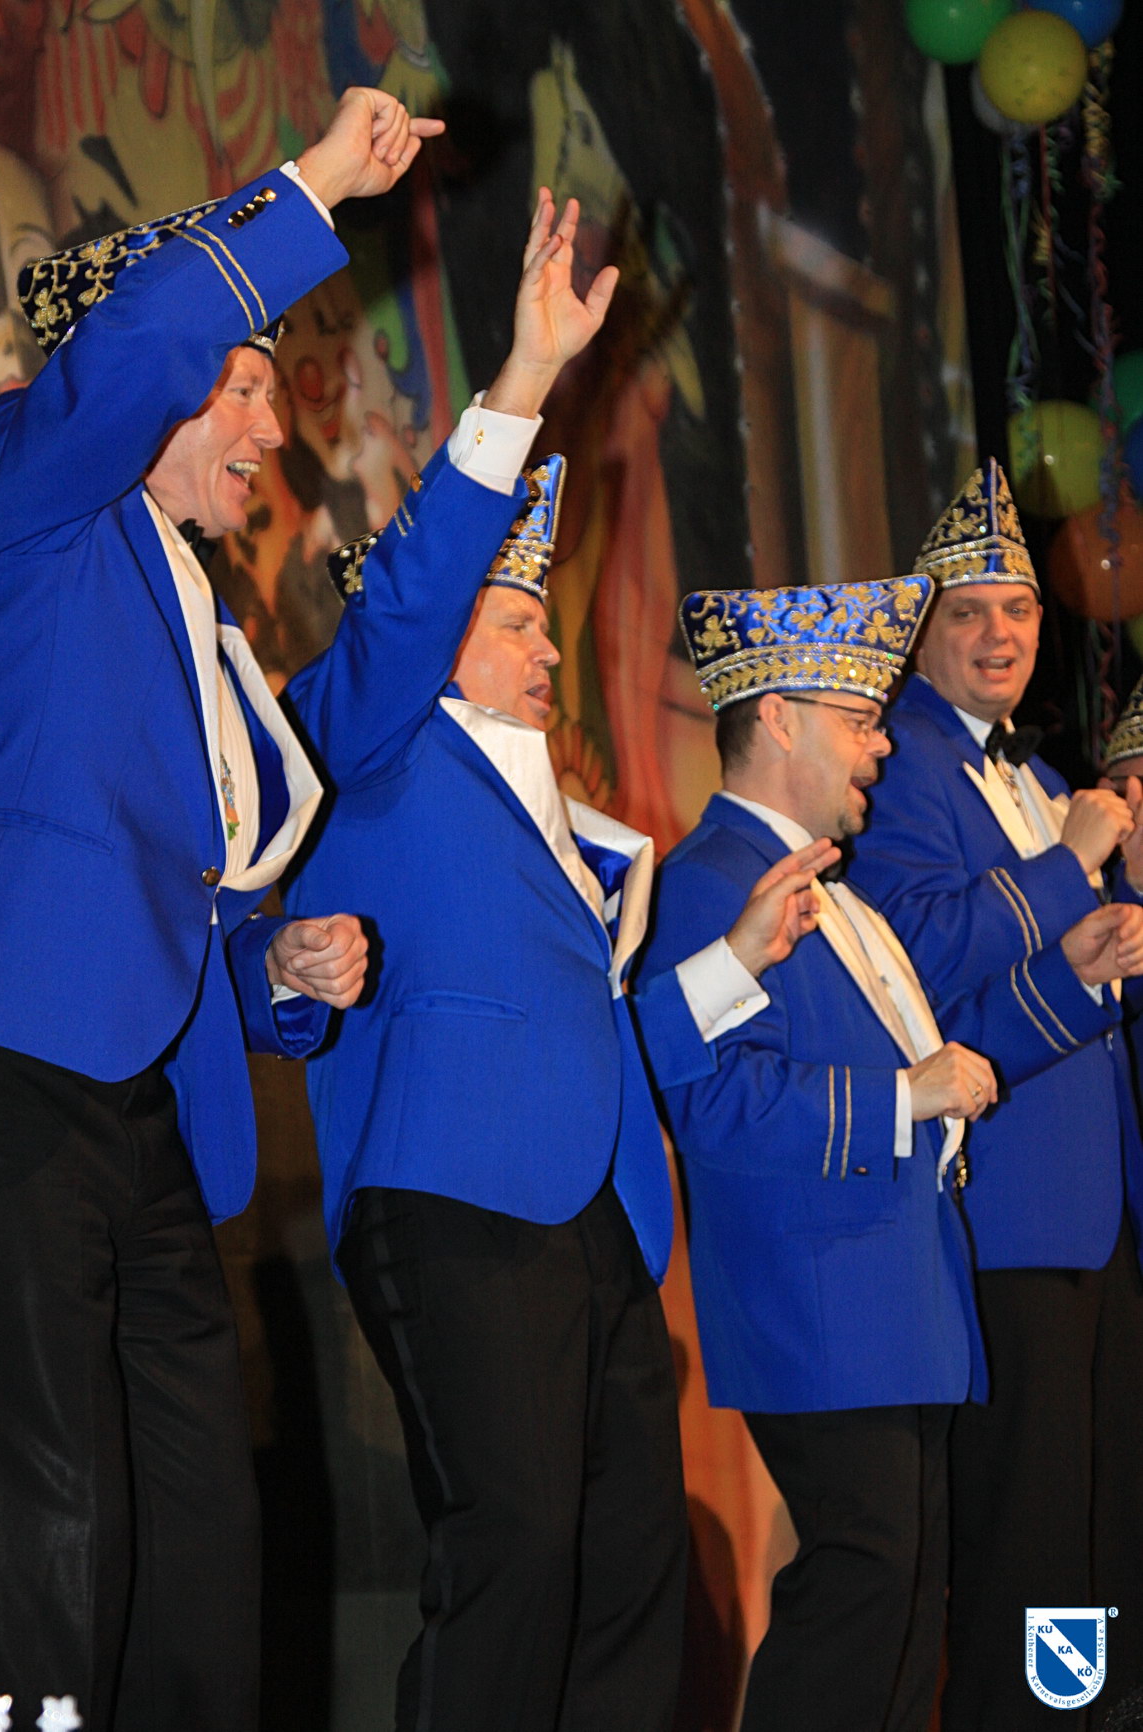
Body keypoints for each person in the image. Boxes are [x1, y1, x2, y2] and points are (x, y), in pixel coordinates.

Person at [285, 191, 829, 1732]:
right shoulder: (367, 739)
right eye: (514, 618)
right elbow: (406, 605)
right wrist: (524, 375)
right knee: (515, 1547)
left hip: (594, 1209)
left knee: (628, 1561)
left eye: (539, 620)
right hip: (453, 1193)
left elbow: (608, 1034)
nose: (545, 646)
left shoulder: (578, 829)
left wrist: (730, 957)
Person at [0, 86, 443, 1732]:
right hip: (17, 1068)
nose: (269, 428)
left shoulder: (197, 614)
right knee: (54, 1517)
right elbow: (128, 351)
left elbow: (189, 877)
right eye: (238, 386)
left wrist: (272, 962)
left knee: (198, 1536)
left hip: (146, 1108)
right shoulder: (34, 491)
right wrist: (316, 179)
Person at [635, 576, 1143, 1732]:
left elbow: (947, 1059)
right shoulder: (710, 879)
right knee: (860, 1604)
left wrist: (1075, 980)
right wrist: (900, 1097)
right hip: (822, 1302)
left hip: (900, 1298)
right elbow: (708, 1100)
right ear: (778, 720)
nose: (880, 743)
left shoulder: (838, 893)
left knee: (906, 1618)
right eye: (859, 719)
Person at [847, 461, 1143, 1729]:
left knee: (1102, 1536)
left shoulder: (1040, 776)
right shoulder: (900, 766)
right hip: (1004, 1209)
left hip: (1092, 1214)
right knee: (1029, 1550)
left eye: (1017, 609)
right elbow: (912, 949)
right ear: (922, 634)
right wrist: (1070, 869)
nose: (1000, 634)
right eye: (967, 612)